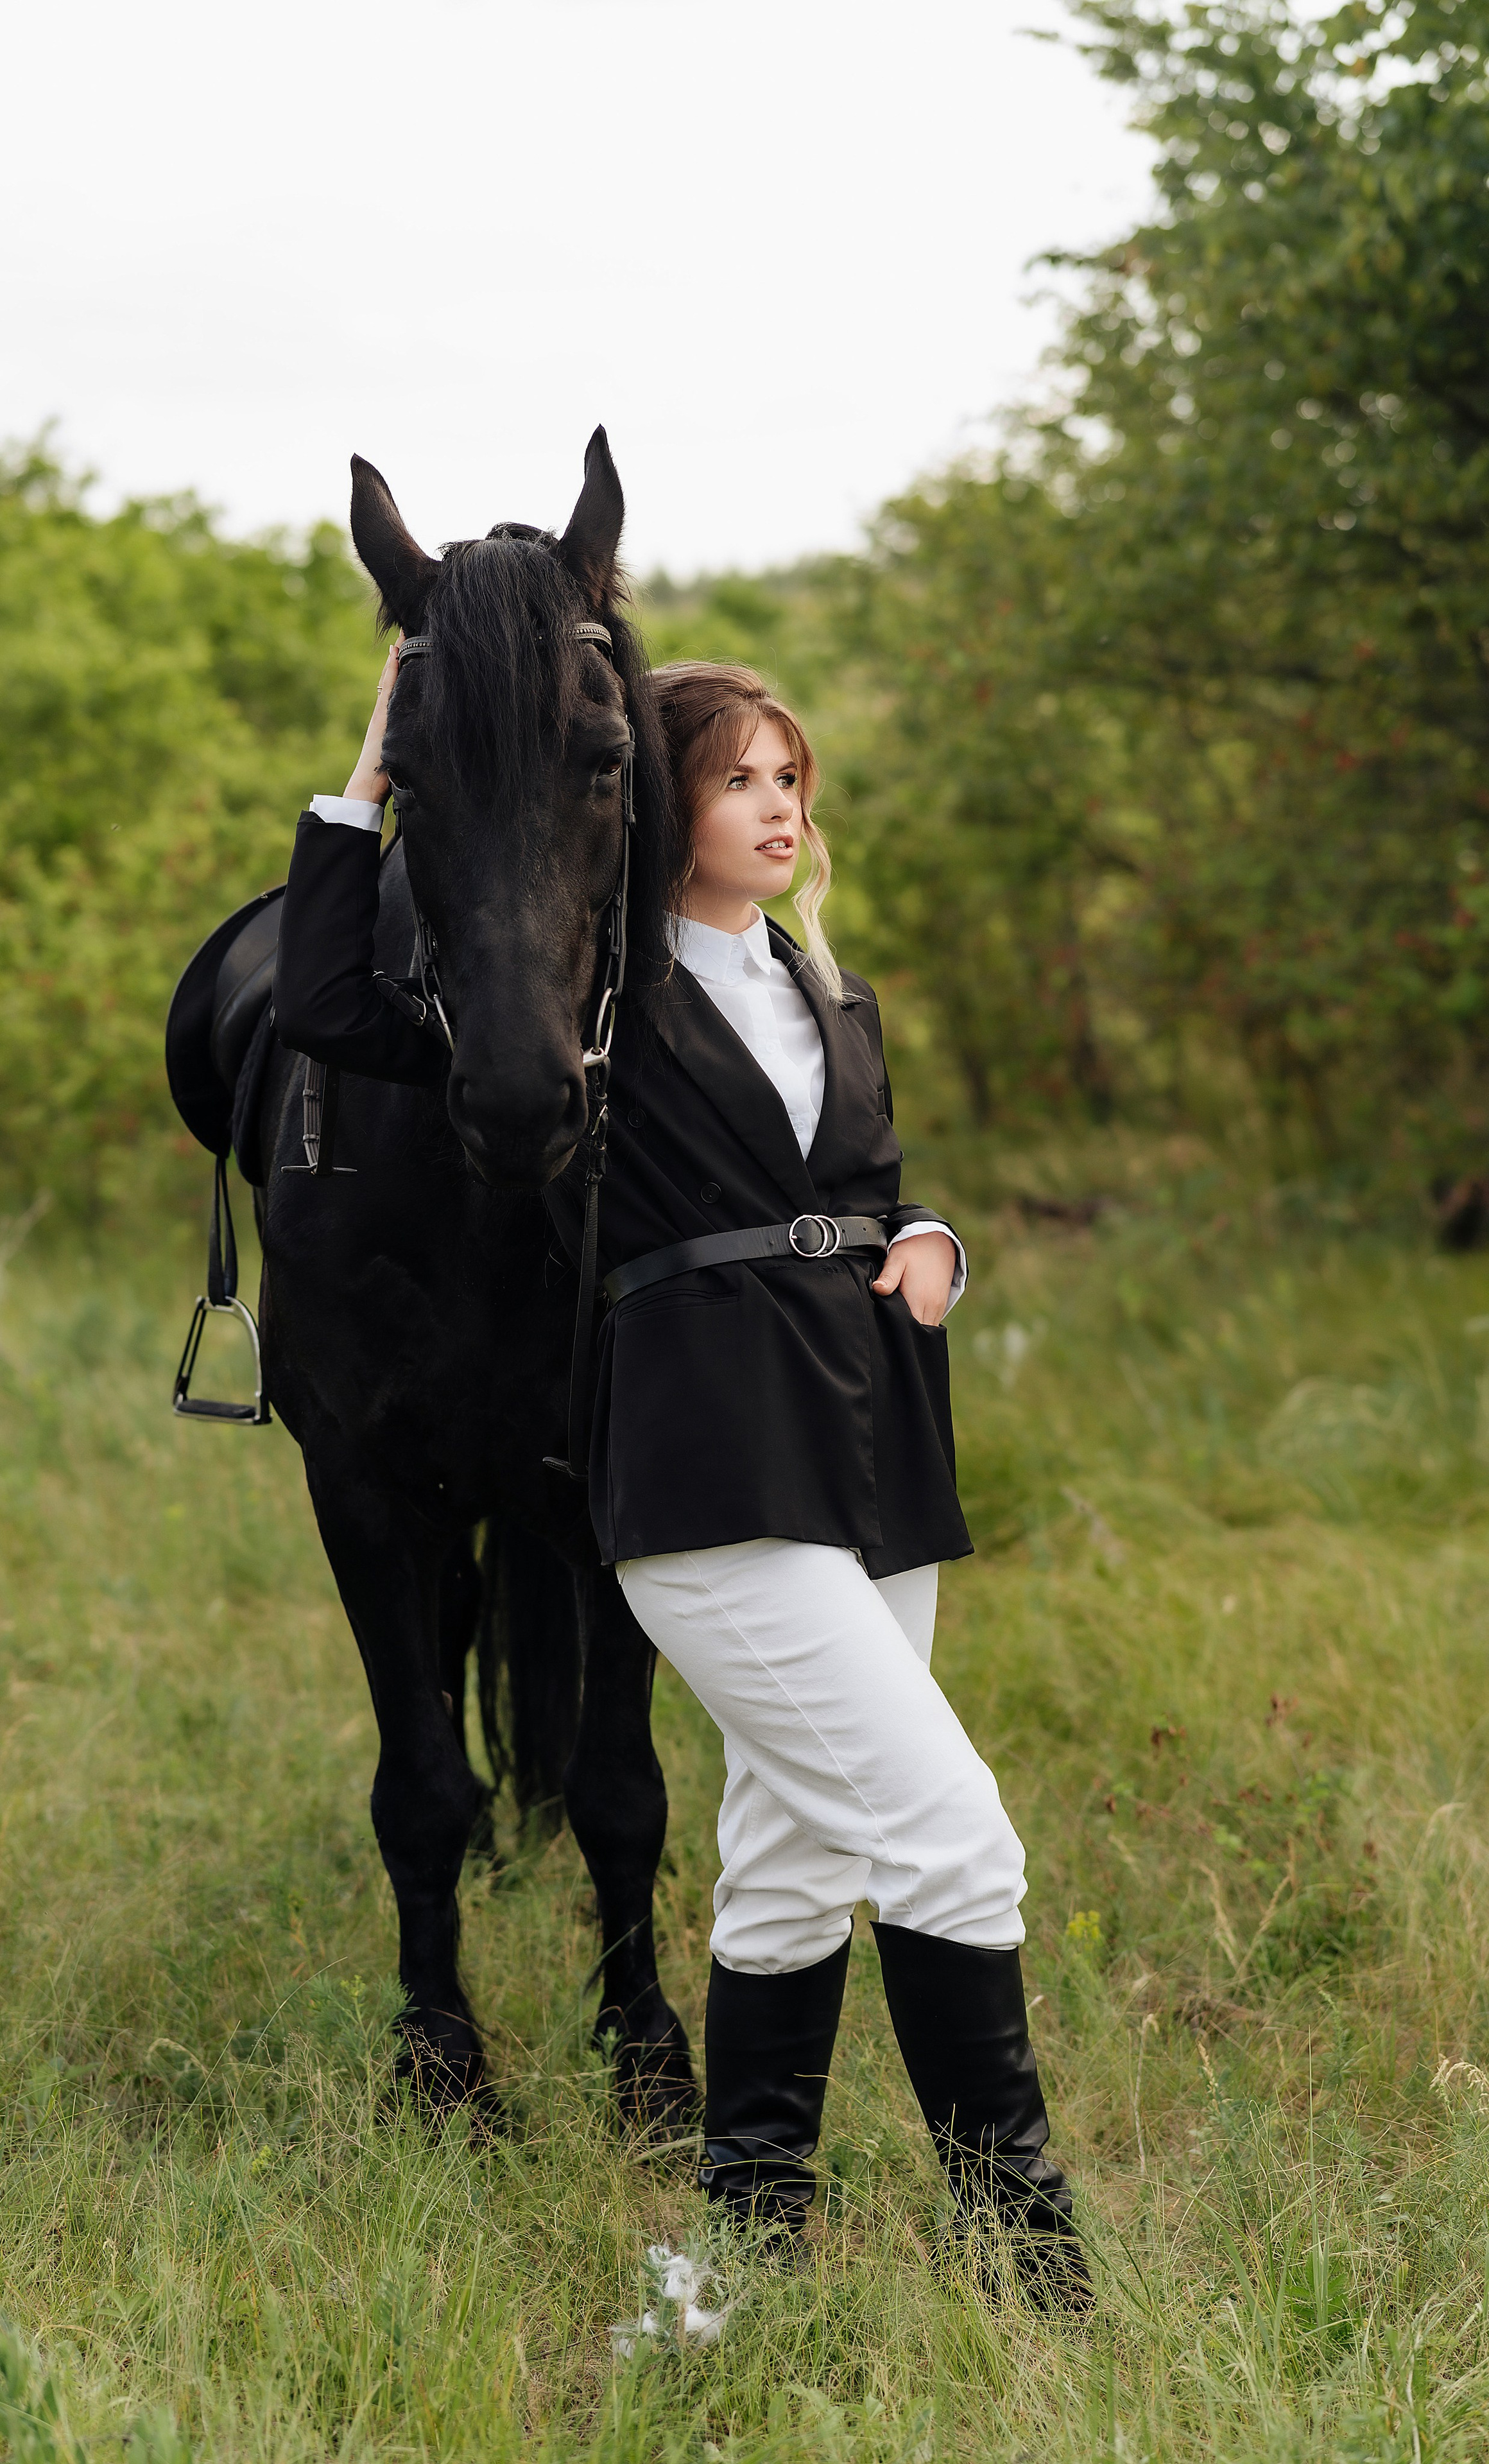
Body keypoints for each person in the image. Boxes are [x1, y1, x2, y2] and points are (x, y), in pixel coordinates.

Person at [280, 646, 1089, 2311]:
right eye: (738, 780)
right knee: (955, 1844)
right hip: (714, 1470)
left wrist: (922, 1238)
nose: (779, 807)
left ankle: (745, 2241)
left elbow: (856, 1177)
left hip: (877, 1459)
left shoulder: (820, 983)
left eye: (792, 778)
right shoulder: (600, 999)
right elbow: (336, 1009)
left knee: (794, 1860)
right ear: (655, 804)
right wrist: (366, 780)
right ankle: (1024, 2254)